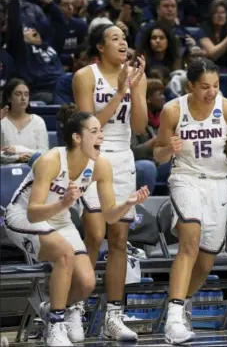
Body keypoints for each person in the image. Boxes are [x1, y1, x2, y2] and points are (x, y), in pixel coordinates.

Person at [4, 112, 149, 346]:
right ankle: (56, 324)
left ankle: (51, 307)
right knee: (64, 253)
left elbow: (111, 215)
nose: (101, 136)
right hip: (23, 217)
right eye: (94, 131)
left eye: (101, 131)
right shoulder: (51, 160)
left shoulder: (101, 166)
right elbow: (33, 212)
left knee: (86, 282)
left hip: (59, 220)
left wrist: (128, 203)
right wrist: (63, 203)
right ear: (77, 138)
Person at [153, 57, 227, 345]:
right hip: (186, 179)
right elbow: (158, 156)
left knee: (206, 260)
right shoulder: (172, 110)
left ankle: (180, 304)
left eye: (216, 85)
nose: (211, 92)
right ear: (190, 85)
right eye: (205, 86)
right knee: (189, 241)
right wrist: (170, 147)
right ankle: (175, 318)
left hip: (218, 183)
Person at [72, 23, 148, 341]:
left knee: (118, 241)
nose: (122, 42)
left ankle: (112, 316)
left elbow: (141, 125)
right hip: (92, 156)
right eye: (115, 38)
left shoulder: (133, 76)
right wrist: (119, 92)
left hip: (123, 158)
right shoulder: (85, 77)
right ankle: (75, 309)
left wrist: (137, 86)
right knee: (94, 234)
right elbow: (89, 127)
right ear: (100, 47)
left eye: (124, 37)